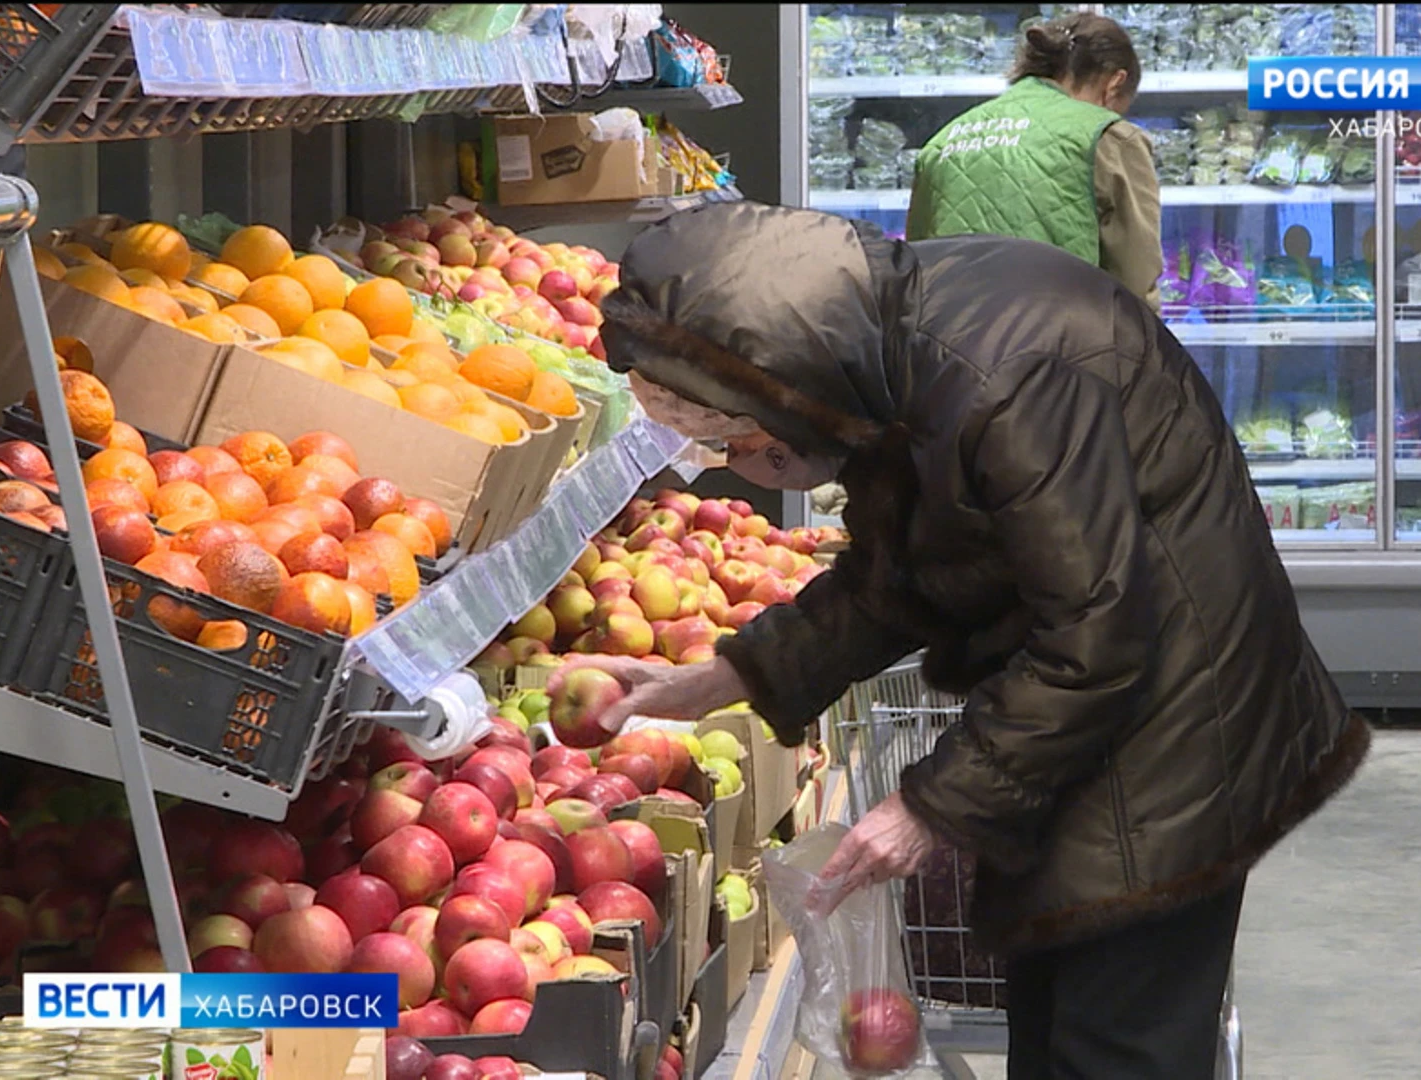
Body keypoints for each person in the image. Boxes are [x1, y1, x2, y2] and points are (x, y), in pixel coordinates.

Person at [554, 201, 1370, 1079]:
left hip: (1175, 727)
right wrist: (721, 678)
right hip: (1097, 723)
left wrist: (927, 808)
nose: (726, 465)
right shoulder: (887, 358)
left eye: (732, 441)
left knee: (1116, 1041)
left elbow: (1095, 634)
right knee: (1058, 1022)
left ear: (780, 396)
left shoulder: (1009, 379)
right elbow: (903, 575)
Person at [907, 12, 1163, 310]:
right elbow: (1135, 281)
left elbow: (916, 269)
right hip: (1056, 343)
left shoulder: (943, 140)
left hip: (952, 343)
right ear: (1114, 84)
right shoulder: (1109, 136)